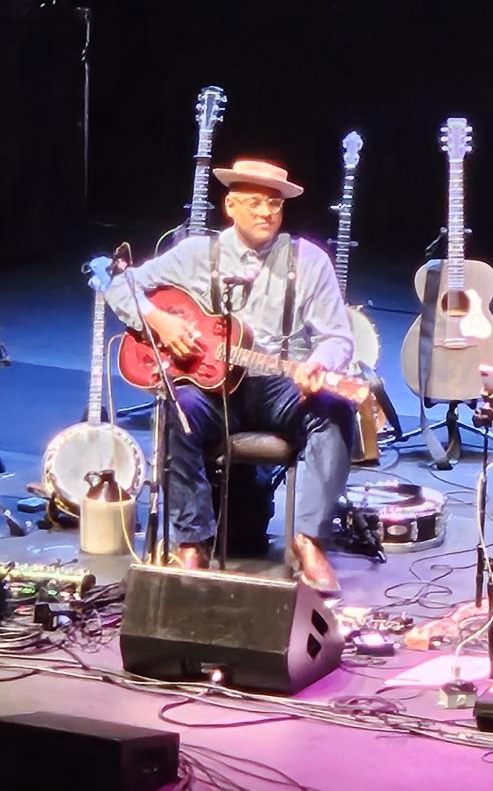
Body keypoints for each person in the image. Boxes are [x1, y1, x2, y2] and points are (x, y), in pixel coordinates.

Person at [107, 159, 354, 594]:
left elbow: (338, 338)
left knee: (335, 410)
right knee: (176, 412)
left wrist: (321, 364)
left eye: (274, 204)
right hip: (210, 386)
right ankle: (192, 543)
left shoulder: (308, 260)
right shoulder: (196, 254)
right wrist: (157, 319)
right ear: (230, 205)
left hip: (278, 385)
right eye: (255, 203)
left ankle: (308, 540)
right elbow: (118, 285)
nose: (266, 213)